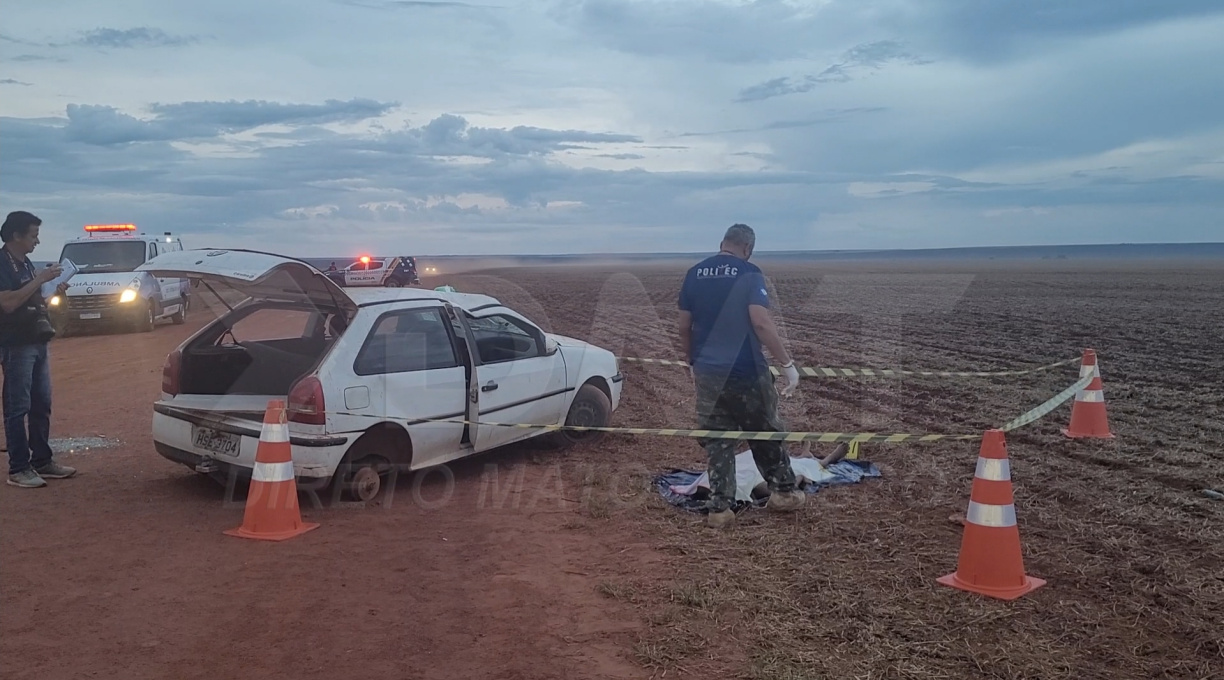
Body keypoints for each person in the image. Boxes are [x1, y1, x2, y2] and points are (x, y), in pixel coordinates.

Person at [677, 223, 803, 528]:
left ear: (722, 243)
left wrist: (693, 361)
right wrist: (787, 365)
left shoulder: (695, 273)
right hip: (746, 371)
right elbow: (760, 323)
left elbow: (684, 325)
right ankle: (783, 494)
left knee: (718, 440)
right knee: (765, 431)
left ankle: (719, 509)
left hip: (708, 372)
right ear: (748, 249)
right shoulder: (749, 273)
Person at [1, 210, 75, 488]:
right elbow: (7, 303)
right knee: (17, 407)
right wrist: (40, 280)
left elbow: (34, 299)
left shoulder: (26, 263)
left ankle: (42, 461)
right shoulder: (2, 265)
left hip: (37, 339)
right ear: (16, 235)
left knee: (41, 404)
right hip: (15, 344)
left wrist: (55, 288)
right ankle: (18, 468)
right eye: (33, 235)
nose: (37, 241)